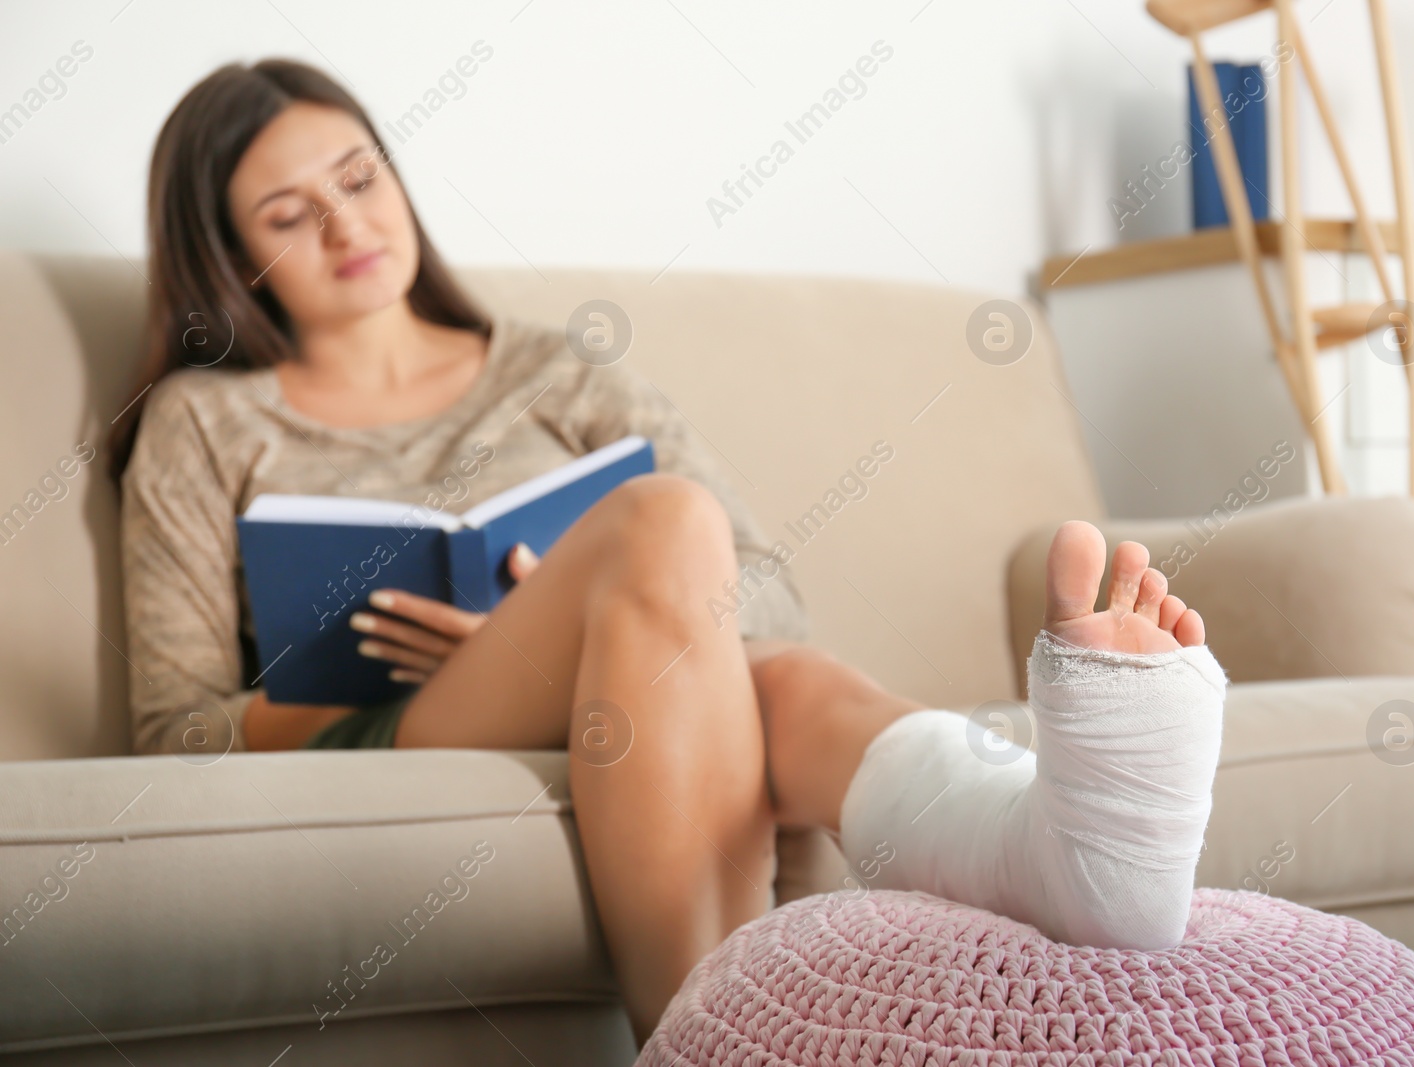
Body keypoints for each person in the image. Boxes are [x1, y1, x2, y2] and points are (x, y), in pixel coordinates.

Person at [110, 58, 1229, 1045]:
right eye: (288, 215)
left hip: (640, 686)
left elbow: (767, 597)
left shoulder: (558, 369)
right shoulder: (208, 422)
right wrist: (488, 657)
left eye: (358, 180)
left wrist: (587, 621)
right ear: (227, 254)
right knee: (665, 518)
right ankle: (1020, 849)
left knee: (762, 653)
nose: (347, 227)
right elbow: (177, 723)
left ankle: (1034, 843)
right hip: (392, 724)